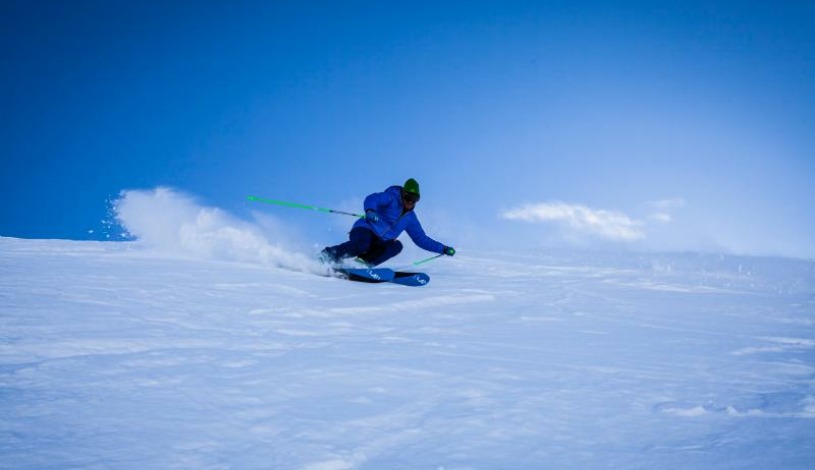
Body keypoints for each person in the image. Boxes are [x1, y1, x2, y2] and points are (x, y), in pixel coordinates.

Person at [320, 178, 455, 266]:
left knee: (397, 246)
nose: (410, 202)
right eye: (408, 197)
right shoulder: (391, 197)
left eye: (414, 199)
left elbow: (421, 239)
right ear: (403, 194)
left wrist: (442, 248)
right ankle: (328, 255)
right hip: (365, 229)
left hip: (380, 242)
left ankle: (362, 264)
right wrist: (370, 211)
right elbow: (373, 198)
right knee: (362, 245)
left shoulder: (410, 218)